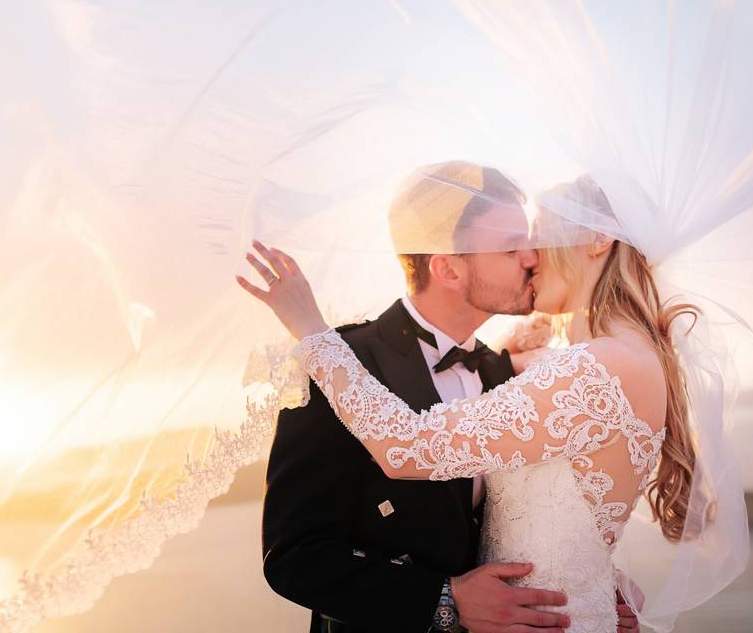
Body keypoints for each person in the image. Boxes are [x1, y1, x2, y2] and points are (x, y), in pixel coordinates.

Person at [247, 164, 643, 633]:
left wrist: (589, 593)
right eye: (511, 247)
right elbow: (294, 556)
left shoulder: (505, 374)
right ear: (448, 268)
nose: (533, 258)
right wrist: (444, 600)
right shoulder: (342, 365)